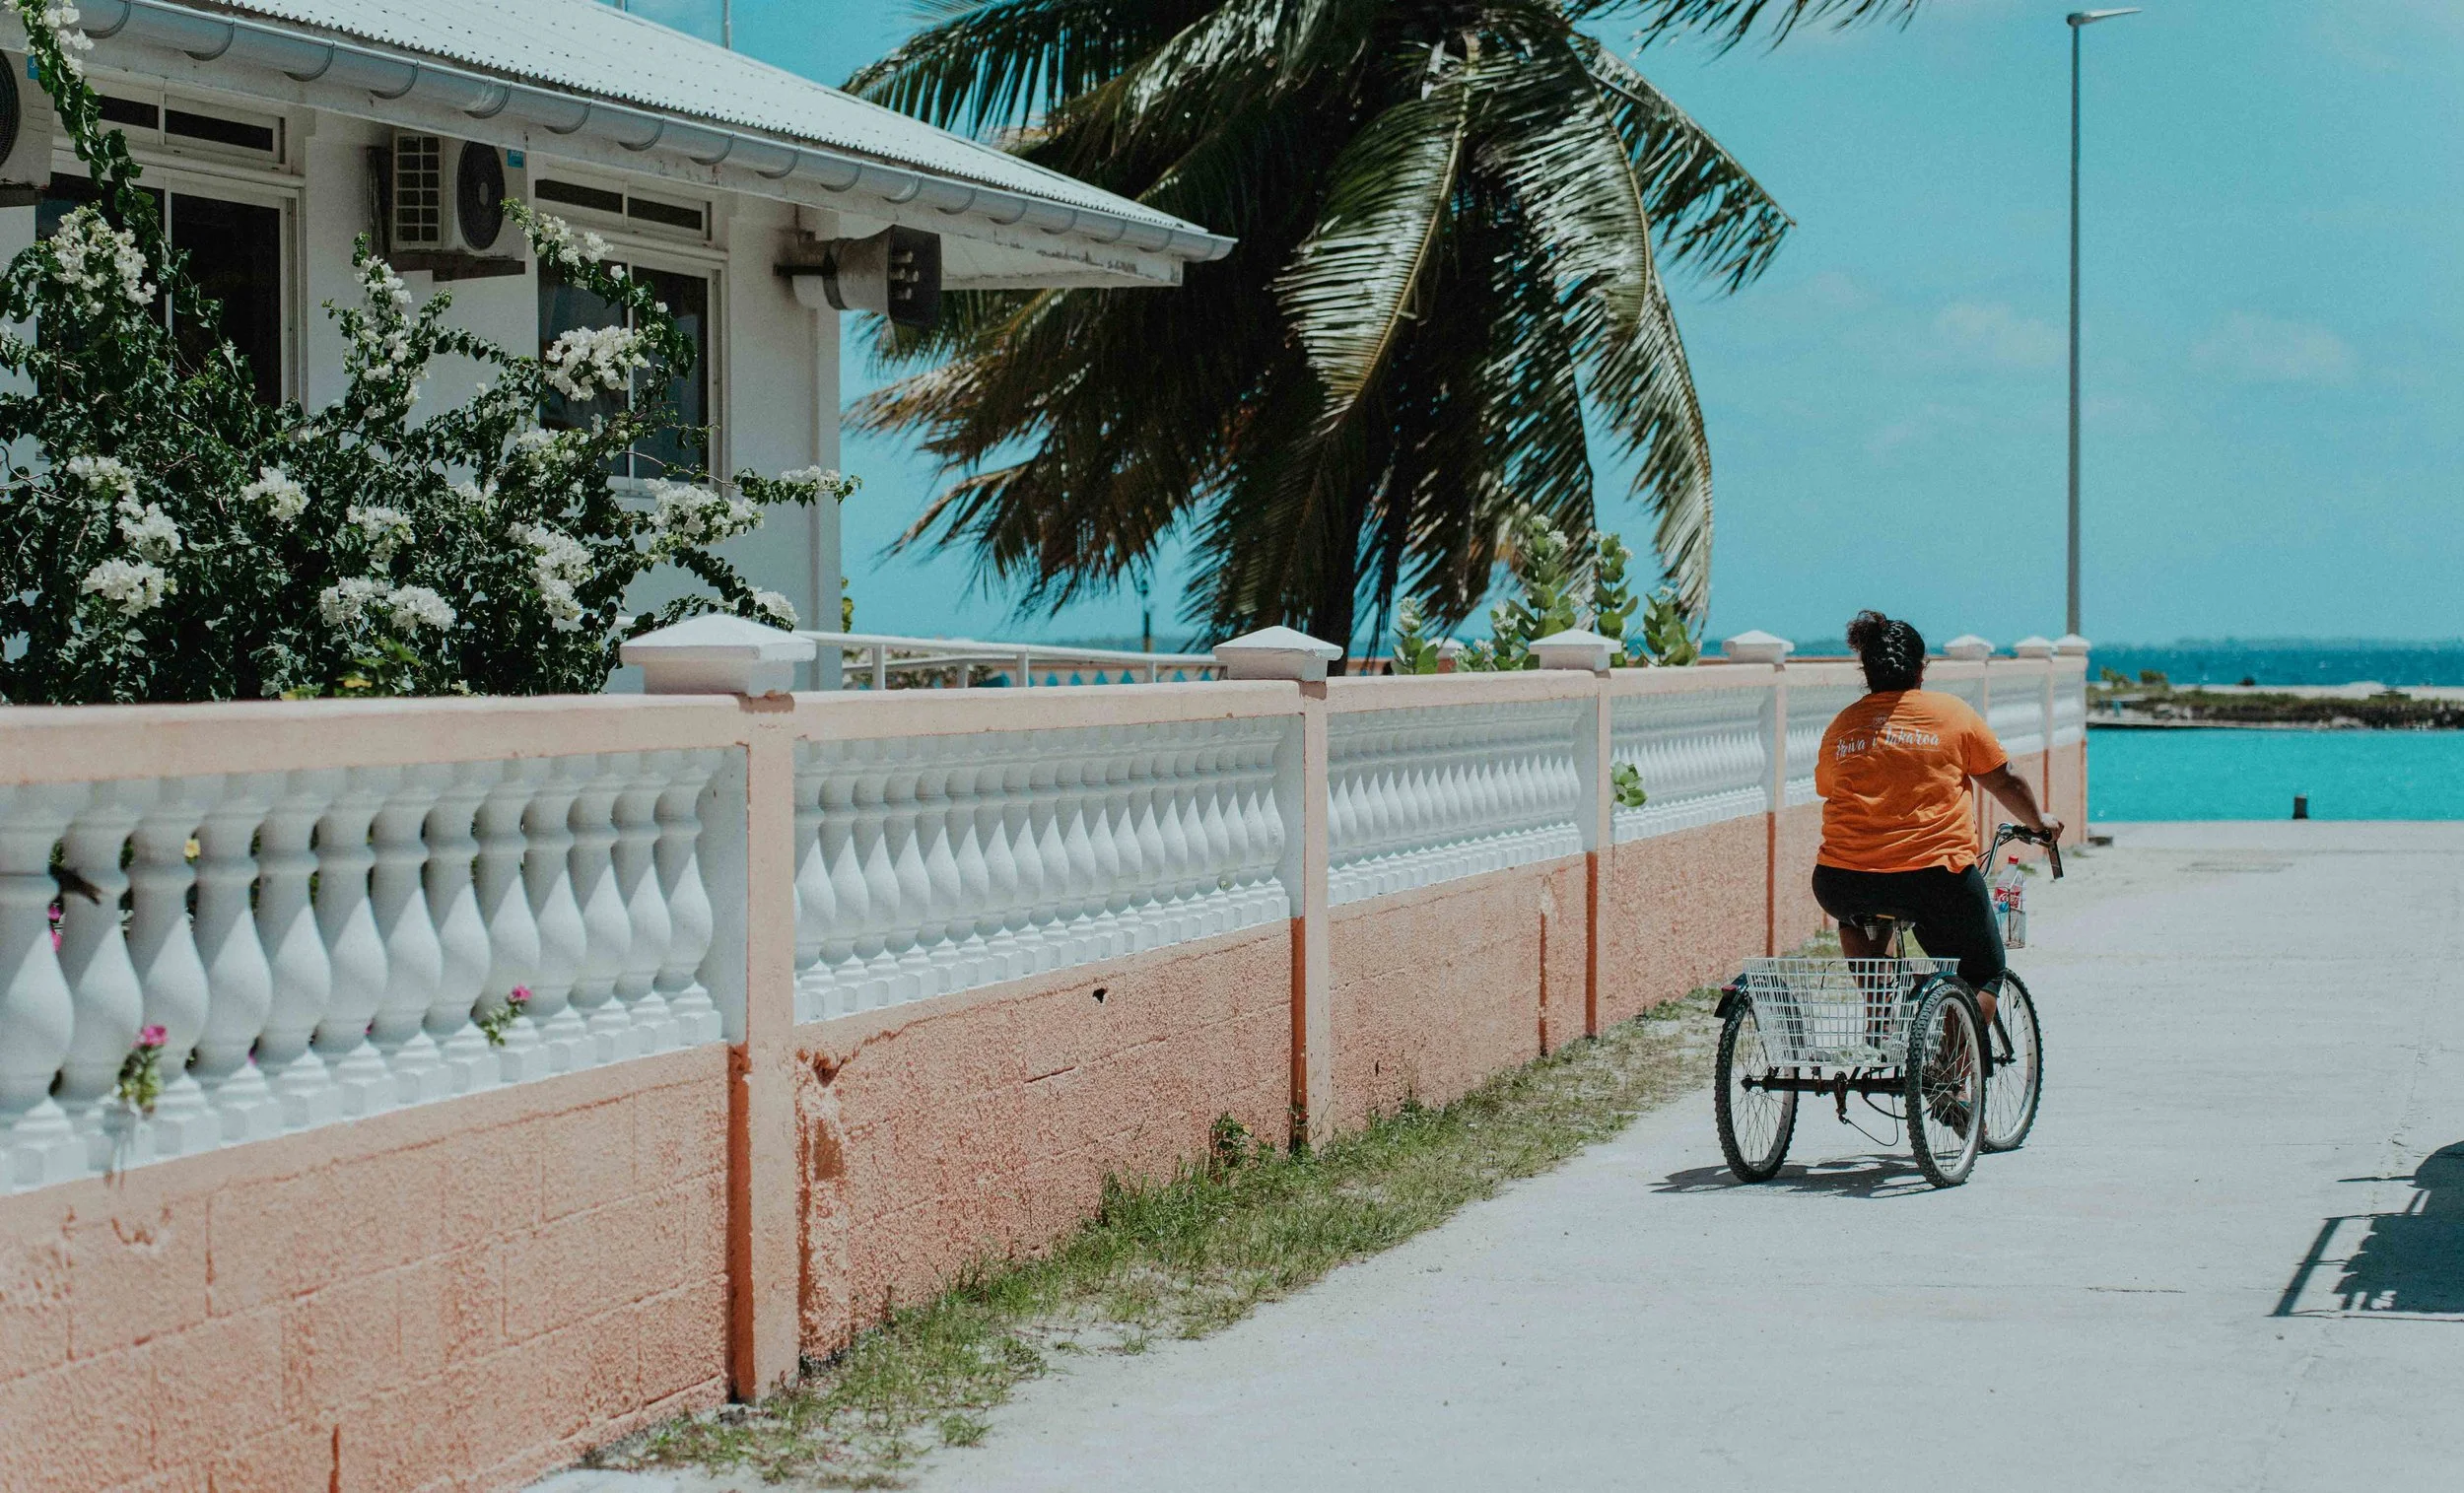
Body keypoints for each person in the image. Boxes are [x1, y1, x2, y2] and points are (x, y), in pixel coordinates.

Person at [1811, 611, 2063, 1038]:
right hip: (1932, 878)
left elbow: (1828, 786)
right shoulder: (1950, 714)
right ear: (1921, 670)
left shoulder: (1843, 725)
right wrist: (2039, 822)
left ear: (1866, 672)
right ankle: (1951, 1082)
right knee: (1982, 971)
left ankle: (1879, 1018)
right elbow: (2003, 778)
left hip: (1841, 880)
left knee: (1860, 915)